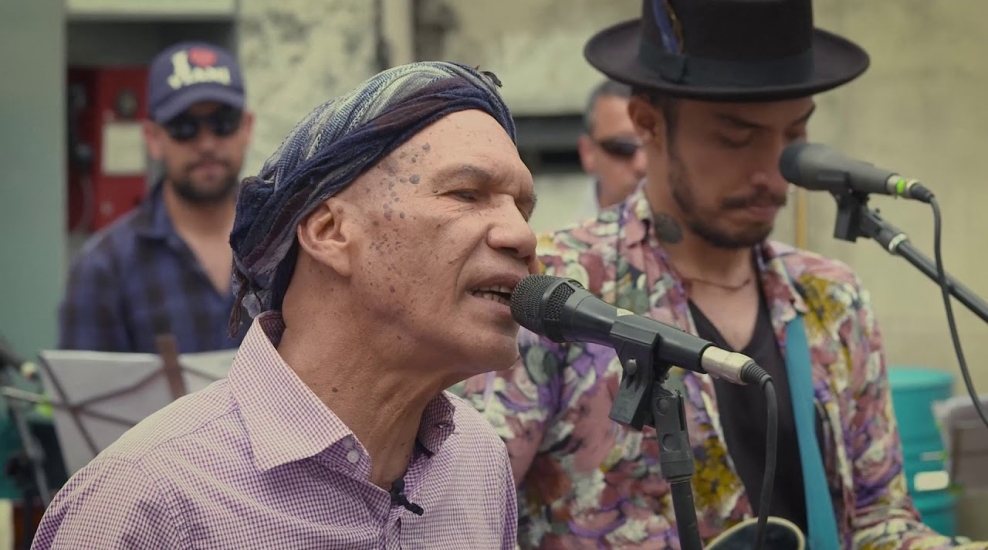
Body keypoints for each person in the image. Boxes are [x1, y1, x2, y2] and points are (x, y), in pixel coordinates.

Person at [458, 1, 988, 549]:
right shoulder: (557, 286)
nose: (772, 172)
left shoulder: (832, 297)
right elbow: (466, 518)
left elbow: (880, 520)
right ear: (648, 123)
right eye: (737, 137)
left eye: (794, 134)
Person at [32, 61, 535, 549]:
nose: (521, 235)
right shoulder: (146, 500)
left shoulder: (477, 460)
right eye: (467, 194)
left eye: (523, 206)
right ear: (328, 231)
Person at [58, 41, 254, 354]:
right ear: (152, 138)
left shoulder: (285, 248)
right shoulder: (103, 267)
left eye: (223, 123)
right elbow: (85, 393)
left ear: (246, 128)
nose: (206, 143)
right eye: (184, 127)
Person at [575, 79, 647, 215]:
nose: (642, 164)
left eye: (654, 147)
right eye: (622, 147)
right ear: (587, 152)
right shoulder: (545, 234)